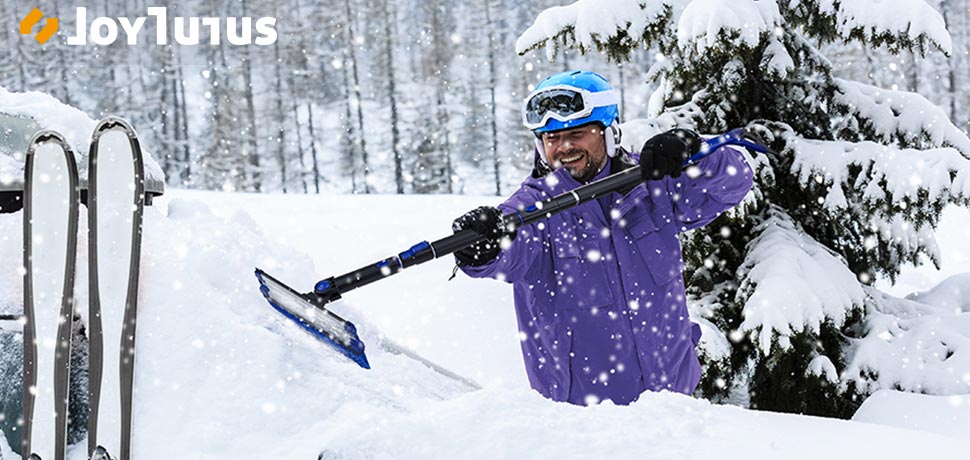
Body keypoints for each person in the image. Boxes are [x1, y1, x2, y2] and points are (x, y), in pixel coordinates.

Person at [451, 70, 754, 405]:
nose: (564, 147)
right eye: (551, 138)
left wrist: (696, 152)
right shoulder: (534, 210)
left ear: (608, 133)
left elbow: (734, 181)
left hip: (674, 404)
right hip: (587, 422)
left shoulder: (651, 185)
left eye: (577, 134)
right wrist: (481, 247)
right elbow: (508, 253)